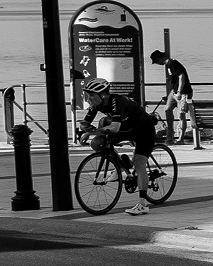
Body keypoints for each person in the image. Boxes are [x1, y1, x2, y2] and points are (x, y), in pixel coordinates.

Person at [77, 77, 157, 215]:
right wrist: (86, 129)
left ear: (103, 94)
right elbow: (84, 123)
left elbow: (114, 127)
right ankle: (121, 164)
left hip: (144, 129)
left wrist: (90, 132)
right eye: (87, 95)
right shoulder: (96, 104)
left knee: (139, 162)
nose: (88, 99)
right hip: (127, 130)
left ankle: (143, 204)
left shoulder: (117, 101)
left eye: (91, 95)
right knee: (98, 142)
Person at [151, 49, 195, 145]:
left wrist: (179, 92)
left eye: (156, 61)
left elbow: (181, 76)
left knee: (181, 115)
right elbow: (175, 80)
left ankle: (181, 138)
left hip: (183, 92)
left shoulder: (172, 63)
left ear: (160, 57)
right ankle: (170, 133)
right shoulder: (168, 65)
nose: (157, 64)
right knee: (167, 109)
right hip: (174, 92)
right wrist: (172, 93)